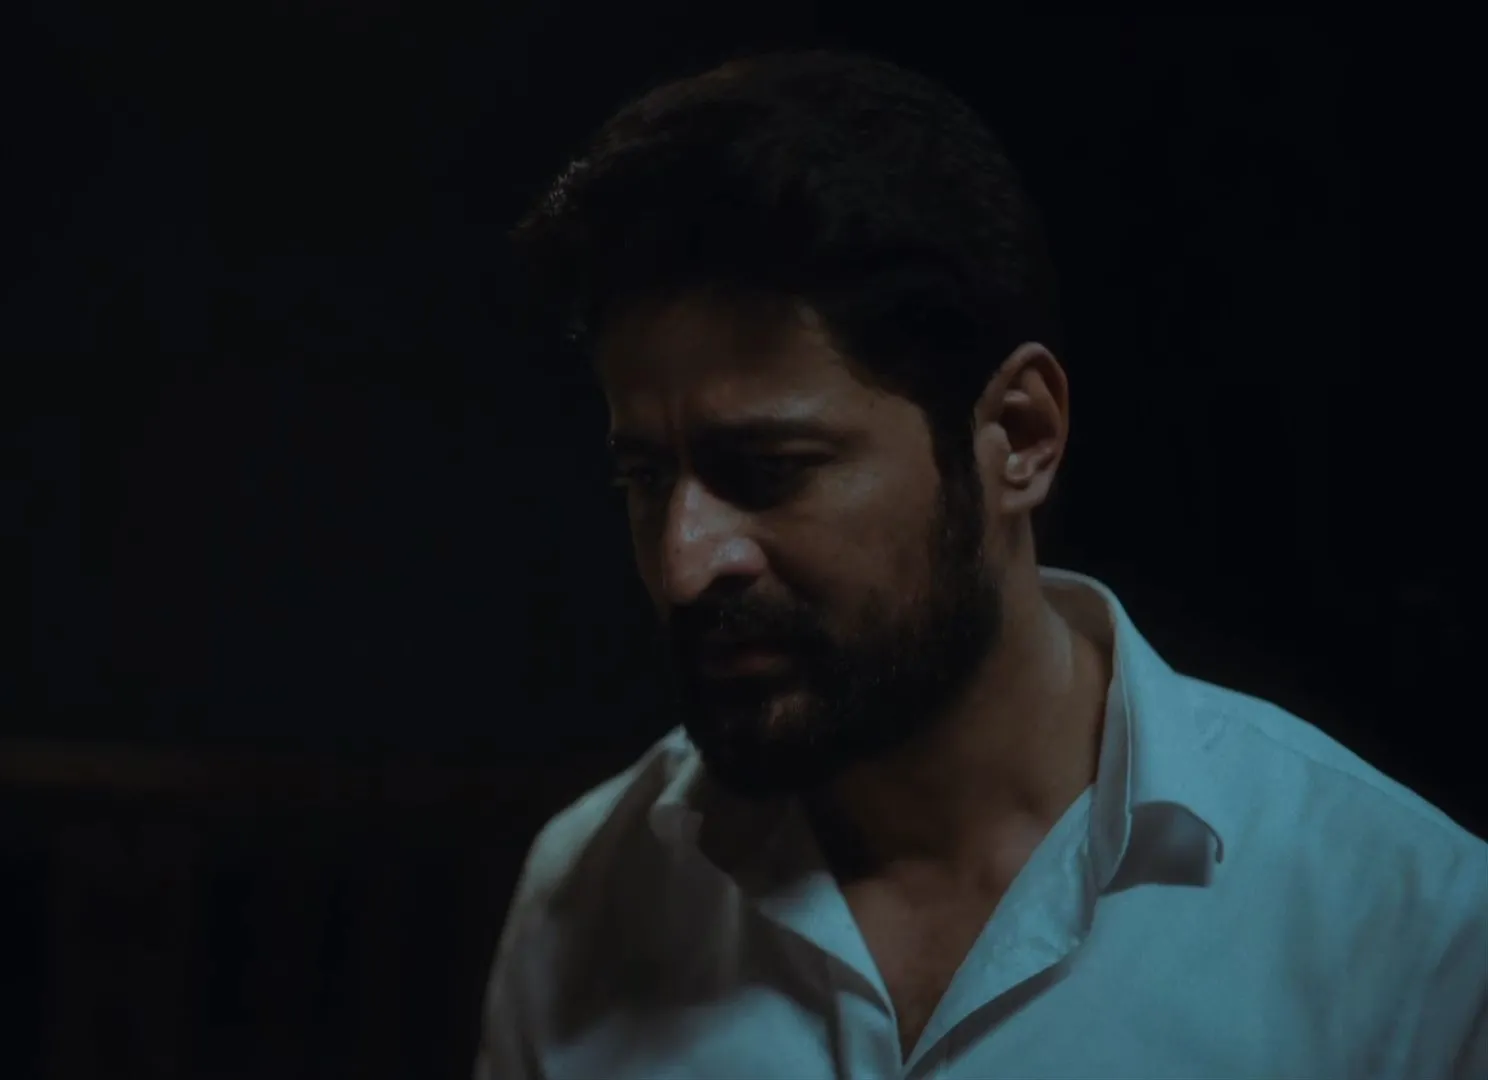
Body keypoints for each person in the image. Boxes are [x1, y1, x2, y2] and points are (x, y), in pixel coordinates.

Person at [476, 50, 1488, 1079]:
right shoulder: (589, 894)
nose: (685, 563)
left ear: (1019, 435)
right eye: (646, 478)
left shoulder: (1408, 931)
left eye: (768, 470)